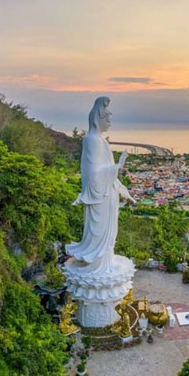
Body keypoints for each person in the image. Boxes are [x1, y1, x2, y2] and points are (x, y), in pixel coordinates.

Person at [66, 96, 136, 272]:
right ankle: (97, 265)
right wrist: (118, 166)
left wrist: (120, 183)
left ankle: (105, 262)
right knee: (99, 231)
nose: (110, 123)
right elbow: (93, 173)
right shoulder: (92, 140)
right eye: (108, 119)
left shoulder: (99, 140)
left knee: (109, 232)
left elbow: (102, 169)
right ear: (99, 119)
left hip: (107, 192)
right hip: (100, 195)